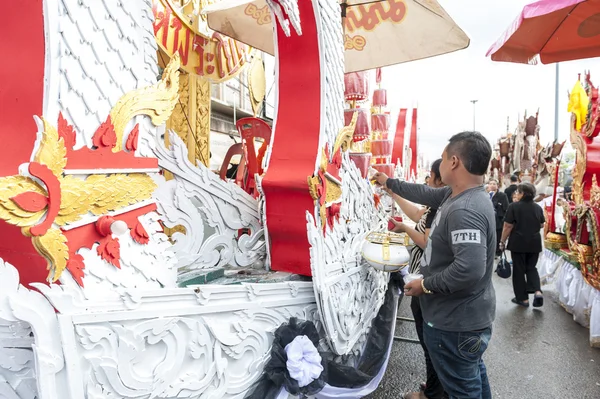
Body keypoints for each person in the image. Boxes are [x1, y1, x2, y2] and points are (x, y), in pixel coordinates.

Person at [373, 131, 495, 399]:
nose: (438, 165)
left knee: (463, 390)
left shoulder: (466, 209)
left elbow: (469, 269)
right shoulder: (457, 196)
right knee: (471, 380)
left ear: (453, 162)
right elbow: (424, 193)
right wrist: (389, 183)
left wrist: (425, 285)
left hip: (456, 322)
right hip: (463, 320)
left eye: (441, 158)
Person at [388, 159, 447, 399]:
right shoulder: (433, 208)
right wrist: (394, 193)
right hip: (422, 279)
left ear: (439, 181)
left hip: (425, 283)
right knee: (429, 342)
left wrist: (404, 229)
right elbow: (414, 213)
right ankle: (436, 387)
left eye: (429, 178)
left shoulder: (440, 209)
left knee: (430, 342)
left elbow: (426, 242)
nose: (426, 183)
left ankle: (432, 394)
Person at [499, 182, 545, 308]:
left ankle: (522, 299)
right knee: (531, 267)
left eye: (518, 192)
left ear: (523, 194)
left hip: (518, 242)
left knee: (519, 270)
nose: (516, 194)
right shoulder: (537, 207)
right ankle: (537, 291)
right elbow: (542, 224)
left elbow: (508, 226)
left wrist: (502, 241)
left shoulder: (514, 206)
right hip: (534, 242)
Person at [488, 179, 509, 256]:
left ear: (497, 186)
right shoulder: (486, 195)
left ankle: (498, 252)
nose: (492, 185)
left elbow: (506, 208)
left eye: (494, 184)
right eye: (491, 184)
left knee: (497, 236)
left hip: (498, 220)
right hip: (488, 219)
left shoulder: (502, 196)